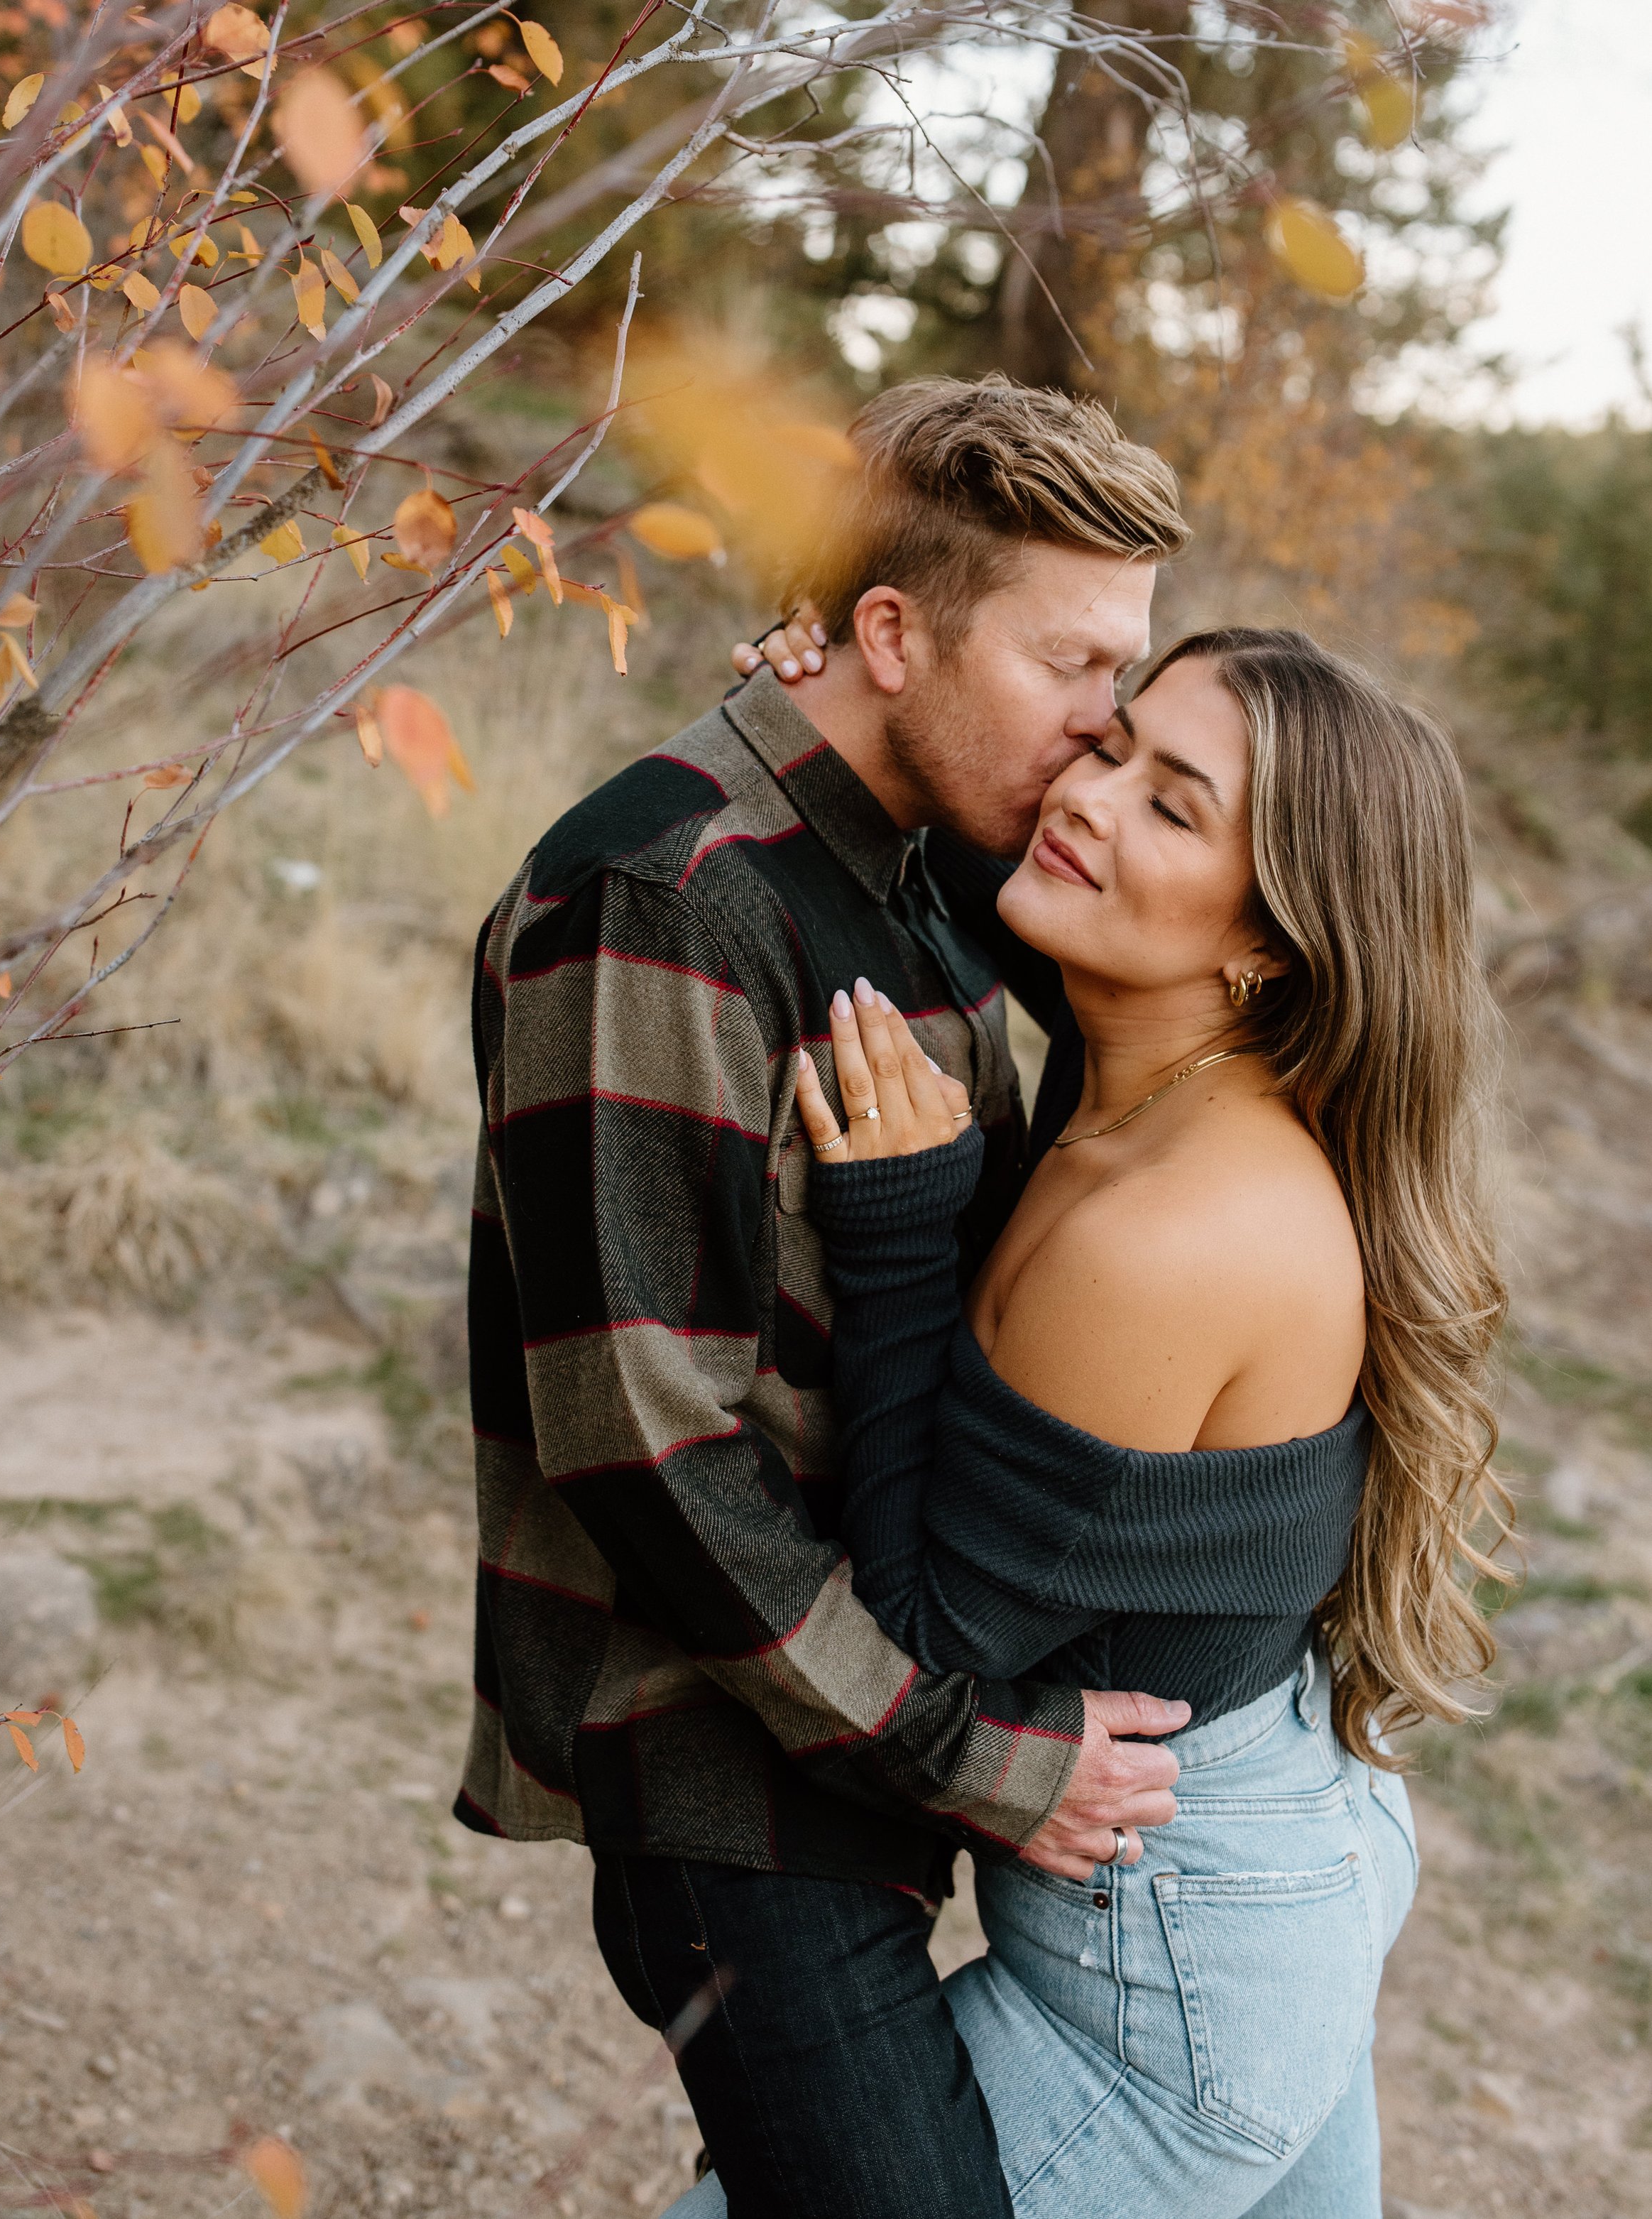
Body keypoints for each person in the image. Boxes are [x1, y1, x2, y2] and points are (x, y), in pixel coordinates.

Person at [457, 376, 1199, 2219]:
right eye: (1072, 663)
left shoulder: (921, 865)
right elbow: (639, 1436)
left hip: (858, 1734)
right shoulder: (662, 889)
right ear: (887, 631)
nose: (1104, 727)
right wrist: (968, 1749)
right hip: (731, 1772)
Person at [676, 627, 1511, 2217]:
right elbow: (924, 862)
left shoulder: (1167, 1236)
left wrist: (906, 1233)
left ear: (1271, 942)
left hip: (1175, 1983)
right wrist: (846, 690)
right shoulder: (1151, 1057)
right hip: (1277, 1837)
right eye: (1112, 744)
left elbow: (929, 1649)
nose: (1088, 802)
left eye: (1171, 808)